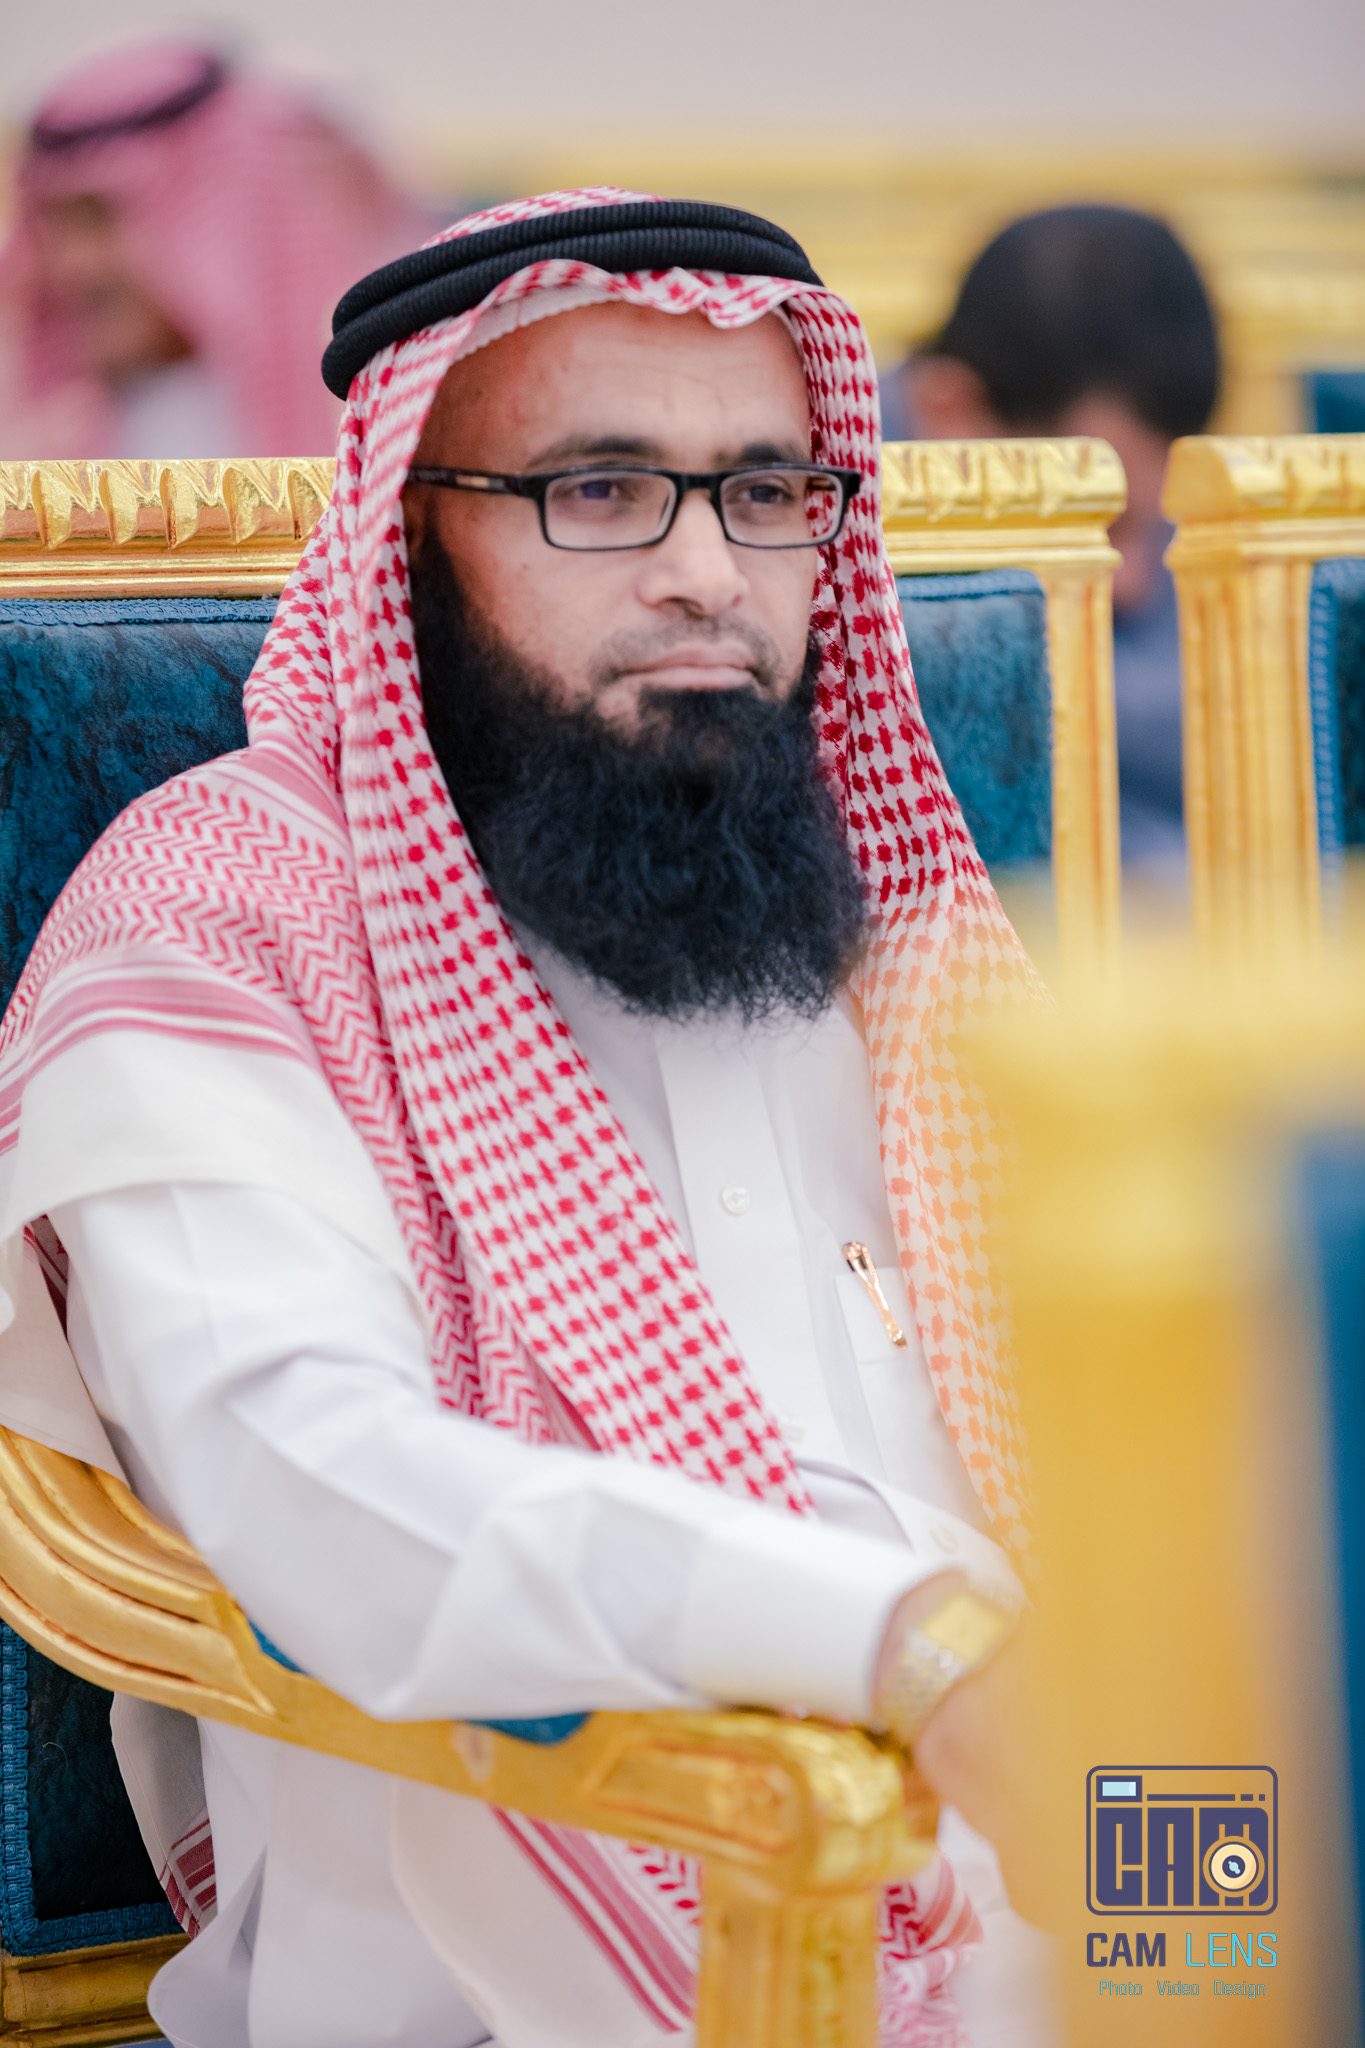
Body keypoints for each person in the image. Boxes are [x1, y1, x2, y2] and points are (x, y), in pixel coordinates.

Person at [0, 189, 1050, 2048]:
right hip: (523, 2000)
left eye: (764, 491)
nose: (708, 572)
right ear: (409, 539)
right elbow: (315, 1484)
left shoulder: (881, 914)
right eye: (600, 489)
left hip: (1090, 1910)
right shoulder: (218, 921)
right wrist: (895, 1641)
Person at [882, 206, 1221, 871]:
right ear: (949, 409)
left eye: (1156, 524)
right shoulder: (810, 529)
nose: (1136, 583)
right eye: (1098, 526)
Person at [0, 39, 423, 459]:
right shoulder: (37, 441)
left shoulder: (378, 419)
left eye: (100, 219)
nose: (72, 265)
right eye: (55, 224)